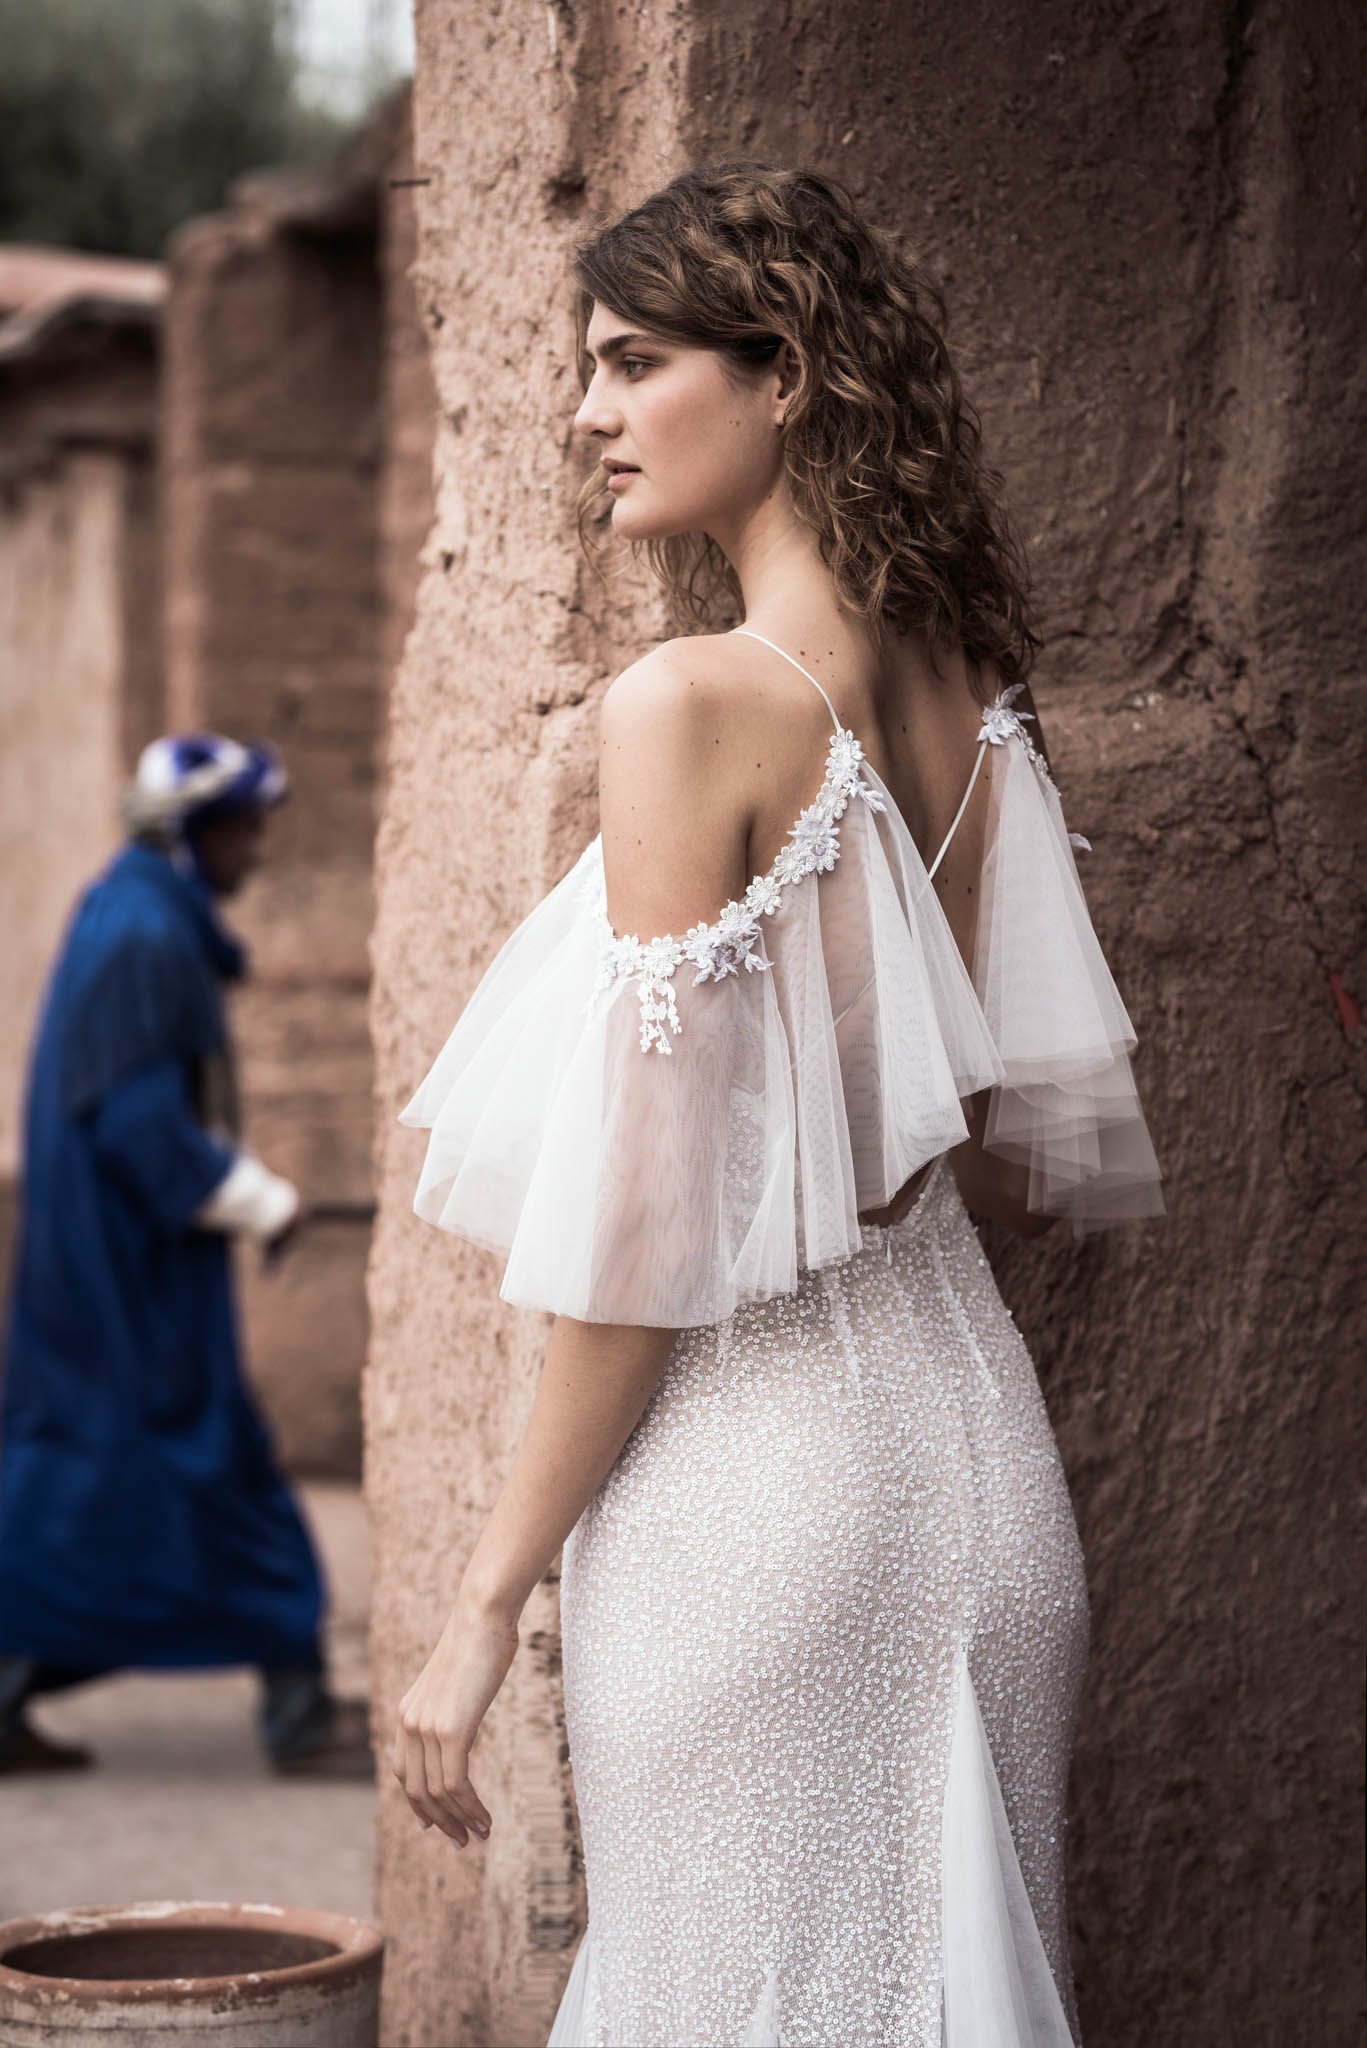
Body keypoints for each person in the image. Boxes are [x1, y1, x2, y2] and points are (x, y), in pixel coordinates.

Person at [392, 162, 1166, 2045]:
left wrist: (486, 1596)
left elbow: (653, 1236)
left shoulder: (690, 708)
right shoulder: (975, 692)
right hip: (978, 1467)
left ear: (787, 370)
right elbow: (974, 1150)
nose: (586, 407)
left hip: (759, 1499)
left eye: (631, 359)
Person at [0, 734, 369, 1779]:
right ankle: (297, 1708)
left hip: (119, 1273)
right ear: (194, 832)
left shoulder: (136, 915)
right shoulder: (141, 934)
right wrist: (256, 1199)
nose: (255, 847)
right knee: (215, 1474)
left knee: (88, 1487)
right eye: (243, 827)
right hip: (131, 1284)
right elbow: (134, 1121)